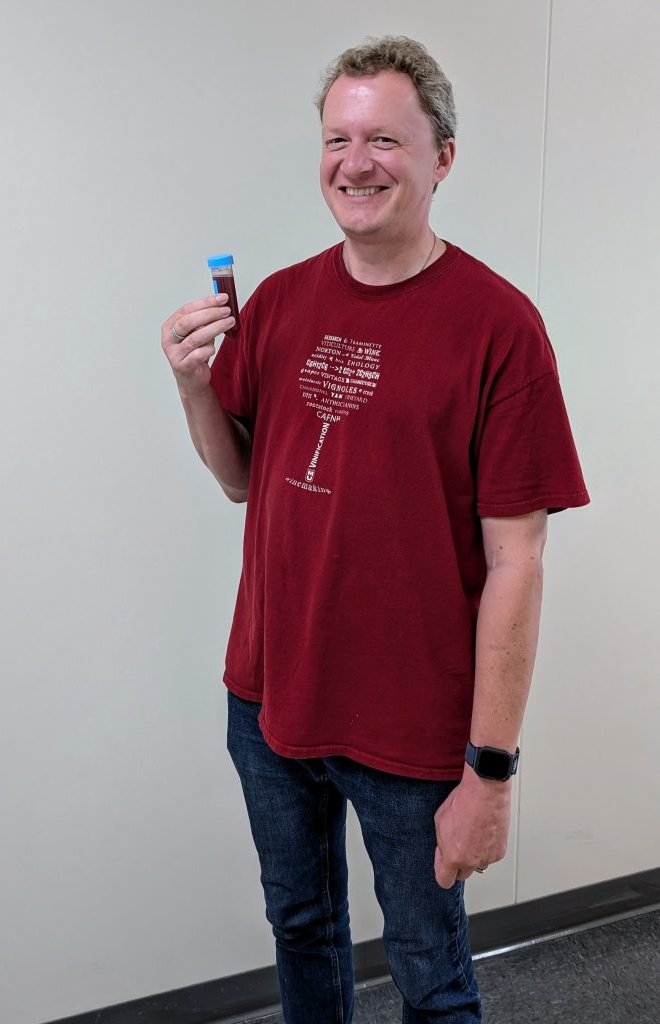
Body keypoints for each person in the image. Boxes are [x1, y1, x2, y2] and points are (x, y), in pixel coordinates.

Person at [161, 35, 589, 1024]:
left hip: (409, 726)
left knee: (430, 976)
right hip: (268, 697)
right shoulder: (279, 300)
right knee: (300, 927)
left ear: (443, 158)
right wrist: (192, 387)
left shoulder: (499, 327)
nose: (356, 162)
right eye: (337, 139)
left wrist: (490, 771)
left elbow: (517, 563)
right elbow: (240, 480)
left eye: (385, 139)